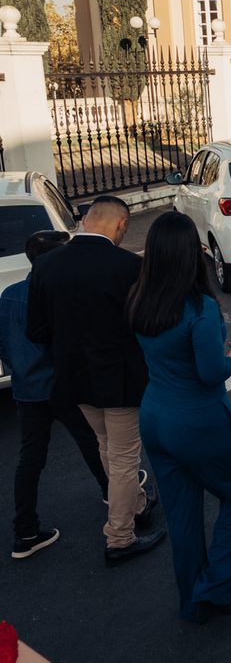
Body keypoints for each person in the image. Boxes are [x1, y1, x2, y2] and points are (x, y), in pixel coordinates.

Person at [127, 211, 231, 622]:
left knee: (182, 513)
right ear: (189, 254)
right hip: (199, 419)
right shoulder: (200, 308)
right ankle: (214, 587)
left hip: (154, 415)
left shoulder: (139, 298)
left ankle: (193, 602)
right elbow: (211, 373)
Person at [25, 195, 163, 565]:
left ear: (86, 219)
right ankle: (120, 537)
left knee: (106, 445)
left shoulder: (45, 265)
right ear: (121, 225)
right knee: (121, 456)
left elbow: (36, 331)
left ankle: (135, 504)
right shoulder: (130, 266)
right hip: (120, 379)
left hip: (72, 376)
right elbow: (147, 325)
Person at [4, 231, 110, 559]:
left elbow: (3, 344)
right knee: (92, 441)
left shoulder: (8, 294)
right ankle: (115, 496)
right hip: (62, 385)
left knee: (30, 458)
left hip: (26, 389)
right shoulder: (56, 292)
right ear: (52, 258)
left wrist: (20, 368)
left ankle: (25, 532)